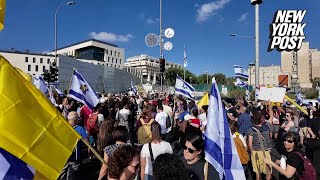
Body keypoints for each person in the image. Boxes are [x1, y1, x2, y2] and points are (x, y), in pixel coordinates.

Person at [59, 111, 89, 180]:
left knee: (62, 174)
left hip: (64, 156)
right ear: (75, 119)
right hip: (75, 157)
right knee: (72, 175)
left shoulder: (62, 126)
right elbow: (87, 141)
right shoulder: (80, 129)